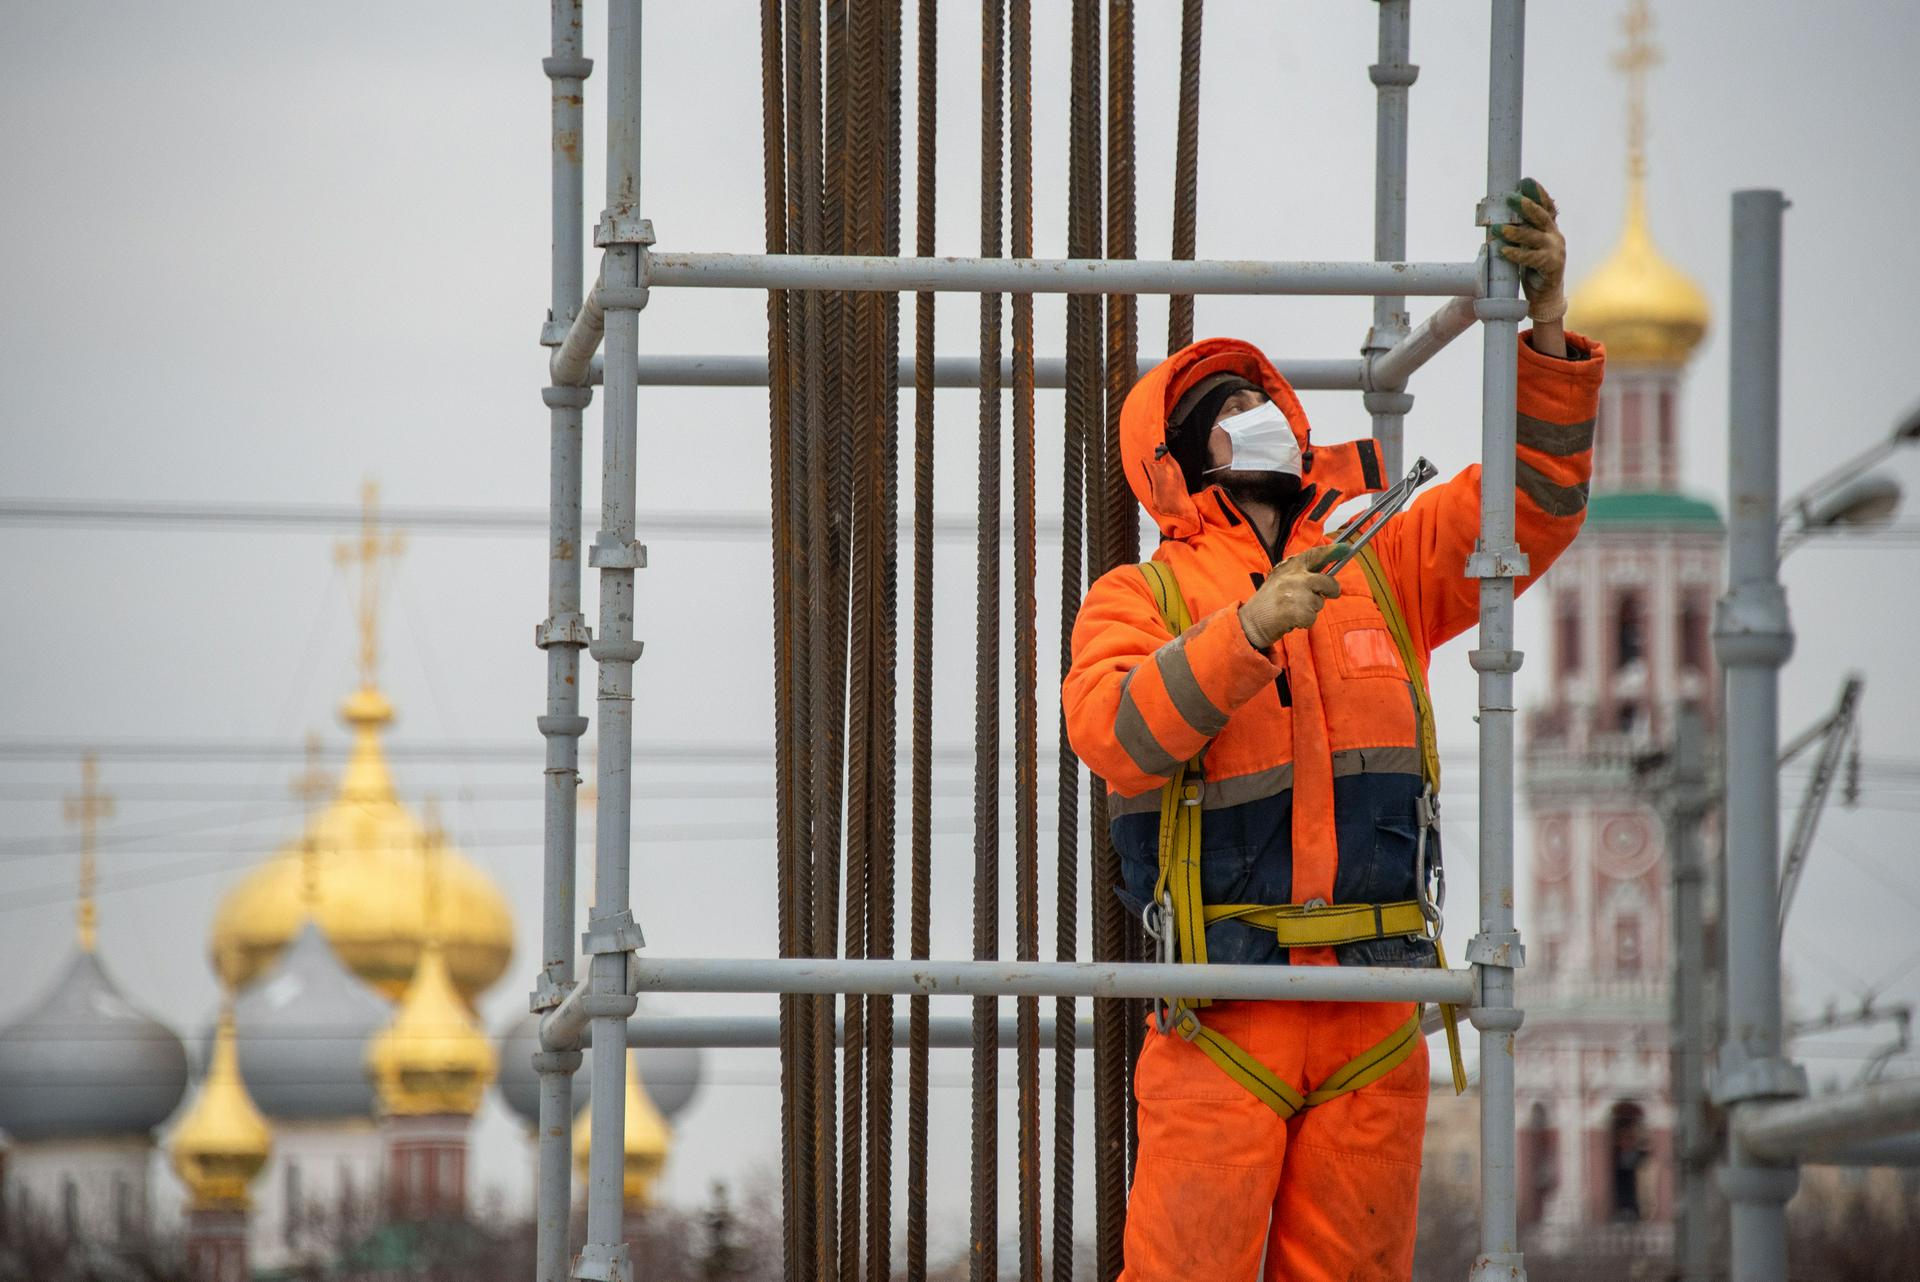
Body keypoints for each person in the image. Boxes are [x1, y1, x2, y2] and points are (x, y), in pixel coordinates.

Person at [1062, 181, 1604, 1281]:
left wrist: (1545, 324)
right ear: (1178, 454)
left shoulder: (1382, 562)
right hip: (1226, 1017)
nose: (1251, 415)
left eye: (1257, 397)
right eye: (1222, 407)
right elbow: (1112, 730)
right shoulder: (1143, 596)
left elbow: (1530, 505)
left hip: (1372, 1009)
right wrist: (1245, 631)